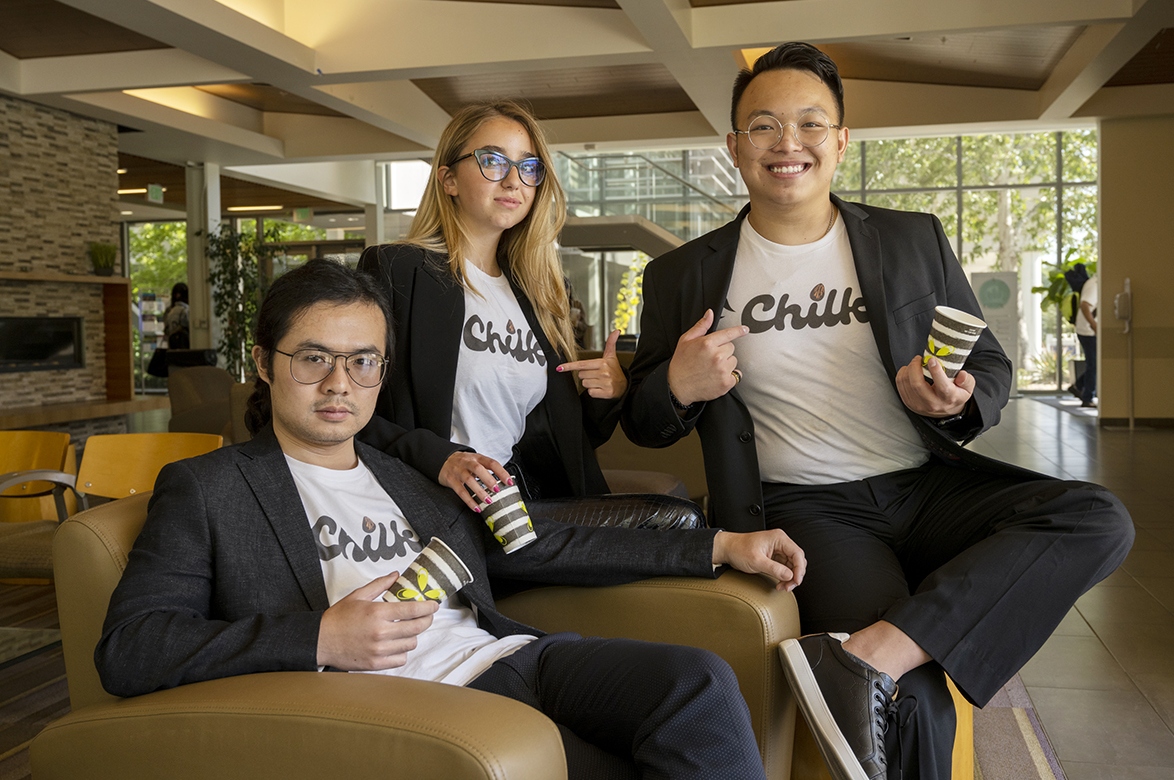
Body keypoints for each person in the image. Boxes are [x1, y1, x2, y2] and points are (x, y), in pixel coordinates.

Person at [621, 42, 1134, 780]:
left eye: (809, 123)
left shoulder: (909, 239)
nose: (787, 143)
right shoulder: (681, 273)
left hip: (925, 485)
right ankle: (884, 663)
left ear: (840, 141)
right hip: (811, 511)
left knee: (1099, 518)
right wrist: (677, 383)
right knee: (918, 703)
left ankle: (861, 656)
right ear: (733, 146)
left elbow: (987, 364)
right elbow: (643, 417)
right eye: (763, 126)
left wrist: (959, 398)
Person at [96, 258, 807, 780]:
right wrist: (319, 636)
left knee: (697, 684)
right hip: (414, 706)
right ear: (263, 362)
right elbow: (132, 648)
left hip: (506, 660)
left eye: (363, 361)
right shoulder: (208, 486)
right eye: (314, 358)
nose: (340, 383)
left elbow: (537, 546)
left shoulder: (411, 478)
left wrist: (720, 545)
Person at [358, 101, 623, 508]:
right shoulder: (399, 270)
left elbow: (560, 444)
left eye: (528, 166)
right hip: (433, 501)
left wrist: (608, 395)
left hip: (519, 500)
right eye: (493, 161)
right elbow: (349, 410)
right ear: (448, 179)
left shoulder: (539, 292)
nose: (514, 180)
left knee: (672, 518)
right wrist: (441, 459)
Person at [1073, 271, 1099, 408]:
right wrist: (1094, 326)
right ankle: (1087, 397)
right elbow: (1084, 305)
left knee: (1094, 363)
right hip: (1088, 332)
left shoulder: (1096, 283)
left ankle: (1079, 385)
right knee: (1093, 364)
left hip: (1088, 330)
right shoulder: (1094, 285)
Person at [162, 282, 189, 349]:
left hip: (172, 344)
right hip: (185, 345)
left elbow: (166, 329)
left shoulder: (169, 311)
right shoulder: (187, 310)